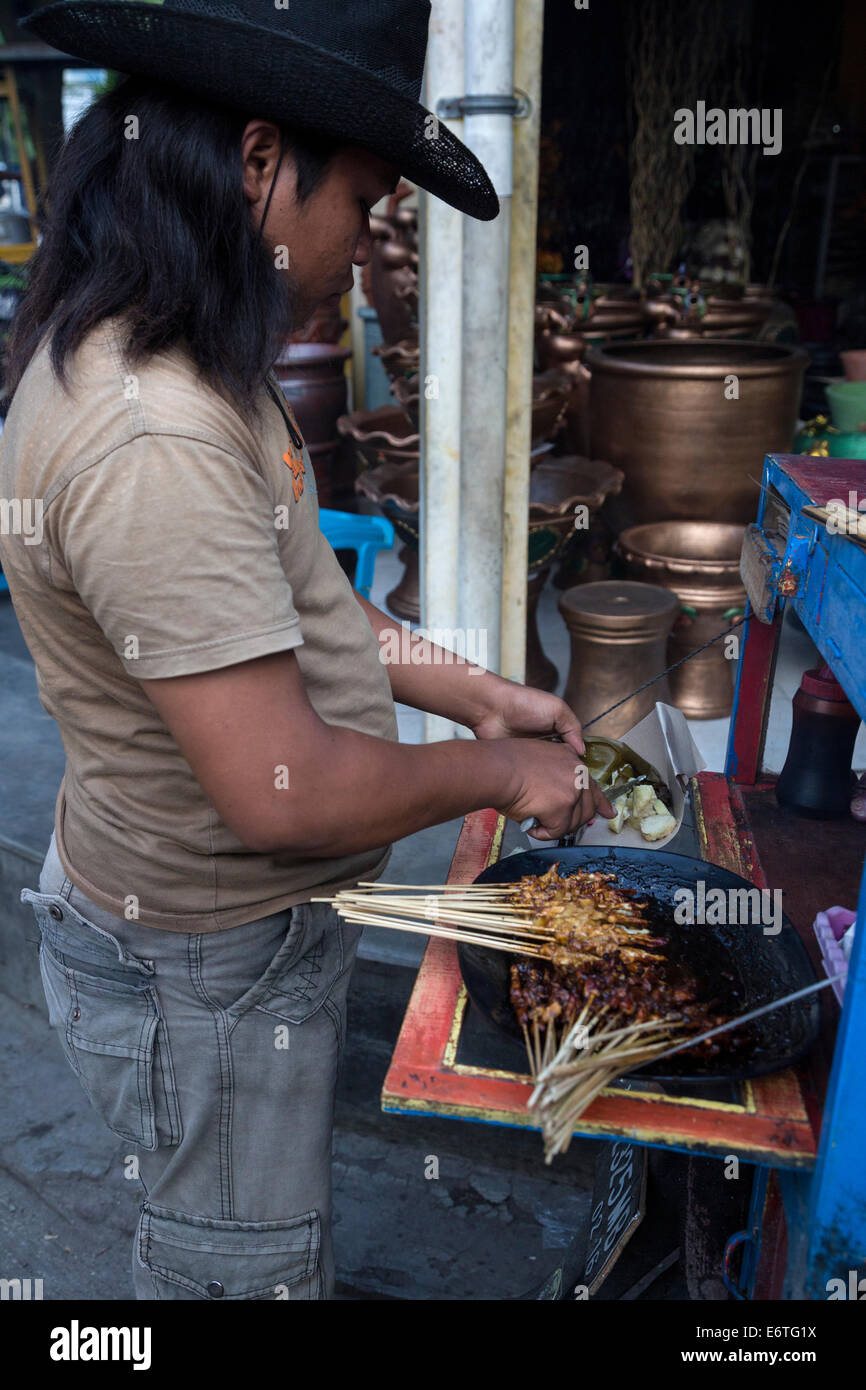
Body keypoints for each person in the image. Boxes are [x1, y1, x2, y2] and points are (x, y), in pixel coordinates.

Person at [0, 0, 613, 1300]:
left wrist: (479, 689)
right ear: (261, 163)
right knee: (231, 1269)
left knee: (249, 1235)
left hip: (228, 942)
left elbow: (303, 607)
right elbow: (286, 789)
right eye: (366, 200)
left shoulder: (200, 361)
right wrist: (501, 777)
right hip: (202, 970)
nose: (371, 236)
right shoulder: (151, 438)